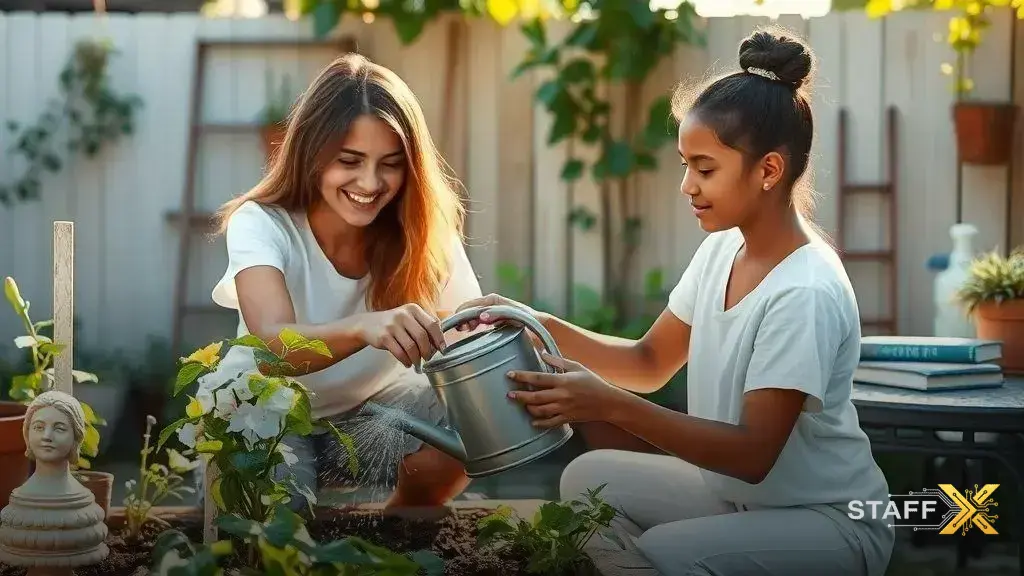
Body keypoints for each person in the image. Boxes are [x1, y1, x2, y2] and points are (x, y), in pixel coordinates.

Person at [451, 26, 894, 576]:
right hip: (740, 497)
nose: (687, 185)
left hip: (829, 519)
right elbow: (649, 363)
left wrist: (607, 405)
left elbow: (753, 455)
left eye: (704, 168)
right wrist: (532, 322)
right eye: (686, 164)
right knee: (587, 481)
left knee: (666, 555)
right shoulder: (722, 250)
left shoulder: (803, 291)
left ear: (769, 171)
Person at [204, 53, 482, 510]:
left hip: (370, 420)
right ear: (311, 154)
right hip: (267, 419)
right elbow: (273, 348)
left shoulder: (422, 229)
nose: (370, 182)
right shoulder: (262, 223)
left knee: (469, 414)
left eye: (390, 163)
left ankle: (401, 526)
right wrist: (364, 327)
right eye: (349, 160)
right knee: (277, 531)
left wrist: (492, 331)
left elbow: (466, 338)